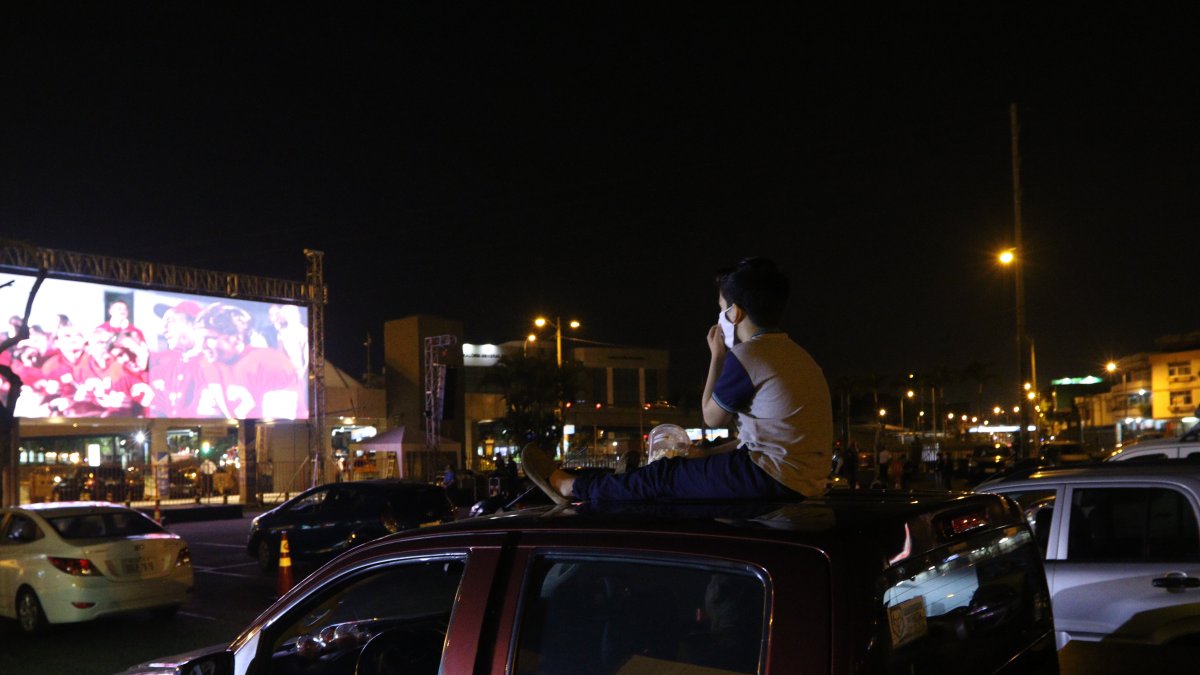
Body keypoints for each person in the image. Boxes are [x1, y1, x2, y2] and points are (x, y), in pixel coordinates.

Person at [524, 256, 833, 504]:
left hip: (770, 477)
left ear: (735, 314)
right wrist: (706, 454)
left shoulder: (750, 356)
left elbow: (711, 418)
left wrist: (718, 355)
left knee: (664, 476)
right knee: (682, 472)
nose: (721, 316)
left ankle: (572, 487)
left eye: (722, 309)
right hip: (803, 480)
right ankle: (601, 485)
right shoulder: (799, 356)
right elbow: (758, 439)